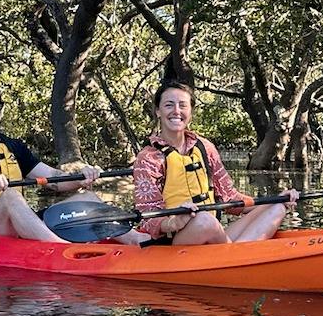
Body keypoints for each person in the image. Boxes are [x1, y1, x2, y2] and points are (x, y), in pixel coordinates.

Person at [127, 80, 298, 245]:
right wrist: (174, 222)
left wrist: (274, 199)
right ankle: (235, 255)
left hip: (213, 236)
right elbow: (147, 216)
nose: (176, 111)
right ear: (158, 111)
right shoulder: (148, 158)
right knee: (204, 220)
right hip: (174, 241)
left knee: (277, 208)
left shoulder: (205, 147)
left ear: (191, 111)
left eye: (183, 105)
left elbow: (231, 198)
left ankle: (231, 256)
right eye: (169, 105)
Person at [0, 82, 98, 242]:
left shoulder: (13, 146)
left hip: (17, 220)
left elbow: (54, 179)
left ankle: (124, 250)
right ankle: (61, 247)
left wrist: (80, 178)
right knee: (9, 196)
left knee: (89, 198)